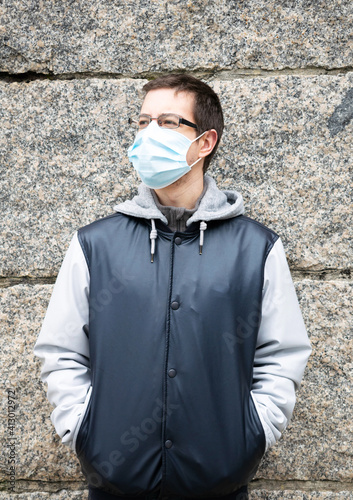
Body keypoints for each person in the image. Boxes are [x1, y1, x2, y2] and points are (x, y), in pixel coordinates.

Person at [34, 74, 311, 500]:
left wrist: (252, 433)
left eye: (167, 121)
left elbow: (281, 354)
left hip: (218, 486)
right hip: (115, 485)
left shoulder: (257, 249)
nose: (148, 133)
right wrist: (83, 427)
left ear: (205, 142)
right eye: (142, 121)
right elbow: (61, 350)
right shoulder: (94, 244)